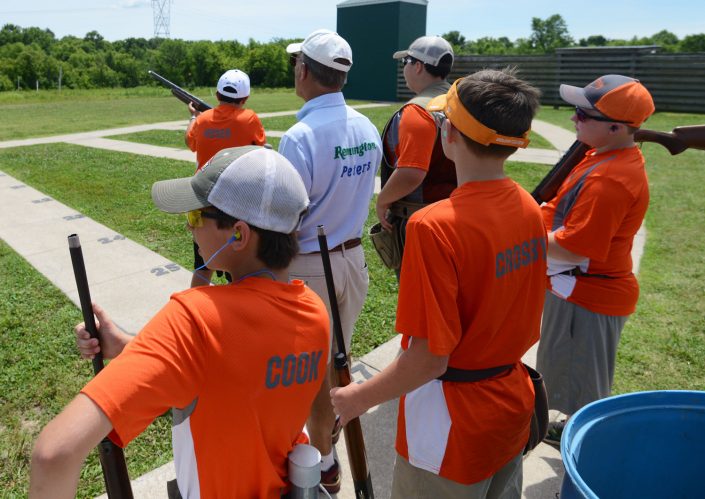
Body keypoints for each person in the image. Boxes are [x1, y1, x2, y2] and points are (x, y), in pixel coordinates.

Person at [29, 146, 330, 498]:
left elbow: (54, 453)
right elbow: (234, 375)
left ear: (239, 234)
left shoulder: (193, 318)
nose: (189, 227)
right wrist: (130, 348)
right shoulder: (314, 311)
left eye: (196, 216)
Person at [331, 69, 546, 498]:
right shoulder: (527, 205)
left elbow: (429, 359)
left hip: (451, 427)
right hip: (510, 407)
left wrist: (356, 398)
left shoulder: (434, 227)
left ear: (448, 134)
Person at [278, 29, 383, 493]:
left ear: (304, 70)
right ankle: (326, 443)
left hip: (308, 264)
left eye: (295, 65)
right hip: (352, 259)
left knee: (312, 373)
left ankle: (322, 459)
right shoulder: (365, 128)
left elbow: (286, 215)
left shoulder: (300, 136)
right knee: (337, 359)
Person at [535, 74, 655, 444]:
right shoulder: (602, 154)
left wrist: (516, 234)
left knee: (585, 390)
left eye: (584, 115)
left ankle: (588, 451)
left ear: (617, 128)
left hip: (588, 296)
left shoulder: (610, 179)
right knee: (562, 374)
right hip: (576, 289)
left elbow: (573, 248)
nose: (574, 119)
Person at [376, 36, 457, 273]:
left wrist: (382, 201)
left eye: (406, 62)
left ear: (419, 66)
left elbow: (412, 172)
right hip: (458, 217)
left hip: (422, 222)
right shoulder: (463, 102)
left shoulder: (418, 110)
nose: (405, 69)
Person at [185, 69, 266, 287]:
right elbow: (260, 146)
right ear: (245, 98)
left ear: (218, 95)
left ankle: (196, 315)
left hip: (203, 200)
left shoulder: (201, 120)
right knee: (239, 268)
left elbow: (190, 142)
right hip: (237, 202)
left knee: (203, 267)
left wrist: (193, 116)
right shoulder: (249, 118)